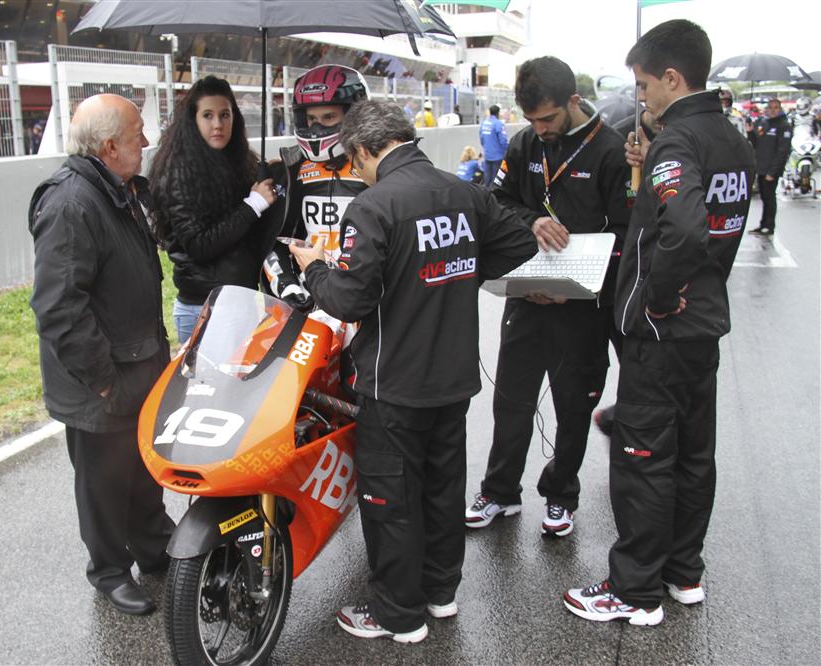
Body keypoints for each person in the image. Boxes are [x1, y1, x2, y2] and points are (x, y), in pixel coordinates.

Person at [289, 99, 537, 644]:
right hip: (452, 378)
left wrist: (315, 271)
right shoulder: (464, 192)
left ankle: (398, 615)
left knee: (389, 498)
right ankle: (440, 593)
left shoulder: (373, 206)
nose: (353, 172)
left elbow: (351, 299)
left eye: (352, 162)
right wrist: (459, 271)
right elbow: (519, 244)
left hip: (393, 379)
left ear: (362, 149)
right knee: (443, 489)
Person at [564, 19, 755, 626]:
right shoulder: (732, 137)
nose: (641, 98)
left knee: (644, 454)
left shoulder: (679, 141)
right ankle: (683, 573)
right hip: (705, 322)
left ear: (673, 78)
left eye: (645, 86)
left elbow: (684, 233)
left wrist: (652, 300)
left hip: (665, 327)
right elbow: (715, 228)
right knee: (695, 451)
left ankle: (634, 590)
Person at [465, 56, 631, 538]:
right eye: (532, 119)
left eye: (549, 118)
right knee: (511, 402)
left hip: (583, 304)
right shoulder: (524, 143)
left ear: (573, 102)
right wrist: (531, 221)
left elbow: (626, 233)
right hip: (527, 291)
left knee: (573, 407)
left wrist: (583, 282)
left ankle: (561, 495)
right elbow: (495, 203)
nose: (541, 128)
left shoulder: (612, 152)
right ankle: (499, 492)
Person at [28, 93, 177, 616]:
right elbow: (59, 307)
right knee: (103, 480)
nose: (147, 139)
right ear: (110, 145)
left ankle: (154, 544)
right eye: (138, 131)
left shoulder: (115, 189)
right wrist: (105, 381)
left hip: (133, 366)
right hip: (102, 380)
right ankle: (110, 569)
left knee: (139, 465)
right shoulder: (71, 202)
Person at [148, 75, 278, 344]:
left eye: (225, 115)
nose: (218, 124)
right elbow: (199, 245)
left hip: (239, 302)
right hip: (206, 309)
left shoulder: (237, 161)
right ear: (193, 120)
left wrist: (269, 173)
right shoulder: (179, 171)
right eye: (208, 115)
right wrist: (252, 204)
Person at [261, 65, 369, 308]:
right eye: (311, 119)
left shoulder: (375, 168)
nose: (317, 128)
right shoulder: (291, 169)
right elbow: (274, 240)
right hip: (309, 298)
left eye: (329, 117)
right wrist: (287, 286)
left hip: (362, 299)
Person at [746, 97, 791, 235]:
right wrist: (749, 131)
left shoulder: (784, 125)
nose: (772, 110)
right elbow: (757, 143)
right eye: (770, 107)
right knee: (764, 198)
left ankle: (769, 226)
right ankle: (763, 224)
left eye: (775, 107)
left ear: (780, 109)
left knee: (770, 198)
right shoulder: (763, 123)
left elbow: (782, 151)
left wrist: (773, 172)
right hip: (761, 167)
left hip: (771, 170)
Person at [479, 104, 509, 186]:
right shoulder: (499, 124)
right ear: (498, 113)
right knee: (496, 181)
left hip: (487, 156)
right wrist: (507, 151)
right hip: (497, 157)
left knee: (487, 181)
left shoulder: (484, 123)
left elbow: (481, 139)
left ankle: (486, 197)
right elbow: (503, 141)